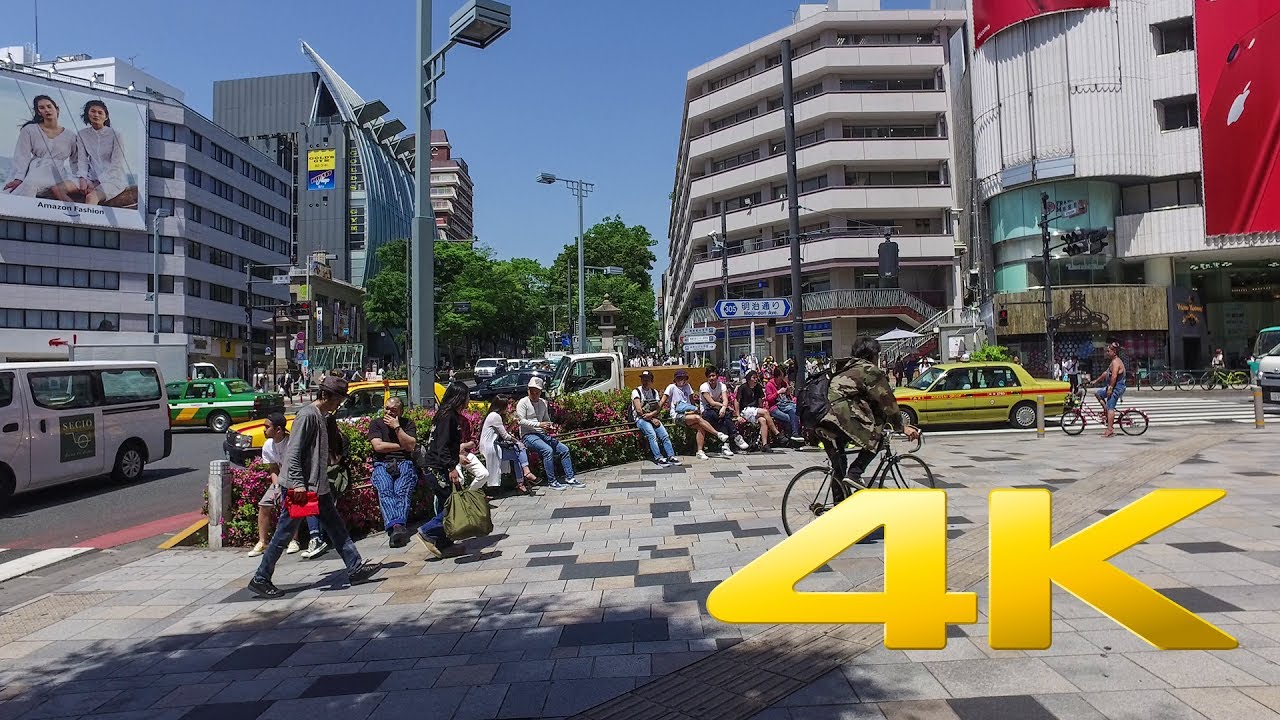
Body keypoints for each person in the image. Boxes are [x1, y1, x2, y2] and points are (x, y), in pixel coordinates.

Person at [248, 376, 377, 598]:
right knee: (283, 534)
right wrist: (298, 484)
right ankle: (261, 577)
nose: (340, 404)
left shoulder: (321, 415)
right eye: (339, 399)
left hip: (317, 486)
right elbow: (294, 452)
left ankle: (354, 567)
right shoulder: (307, 415)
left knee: (336, 528)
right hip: (302, 488)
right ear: (328, 396)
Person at [816, 339, 921, 500]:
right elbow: (887, 401)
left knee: (839, 467)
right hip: (838, 416)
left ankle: (839, 509)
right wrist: (902, 427)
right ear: (872, 355)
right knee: (877, 438)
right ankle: (855, 473)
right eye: (877, 355)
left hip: (821, 416)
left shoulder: (846, 366)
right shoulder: (868, 369)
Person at [411, 383, 475, 559]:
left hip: (438, 464)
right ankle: (427, 530)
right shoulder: (448, 417)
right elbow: (442, 446)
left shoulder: (445, 414)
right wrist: (451, 467)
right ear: (459, 397)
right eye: (467, 396)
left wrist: (457, 457)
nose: (469, 400)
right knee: (452, 505)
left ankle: (444, 543)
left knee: (444, 503)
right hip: (437, 467)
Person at [3, 95, 79, 201]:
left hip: (58, 173)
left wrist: (80, 180)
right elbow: (22, 155)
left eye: (49, 106)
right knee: (27, 185)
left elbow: (76, 161)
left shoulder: (71, 136)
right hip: (34, 170)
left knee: (33, 185)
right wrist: (19, 178)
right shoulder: (30, 130)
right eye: (42, 108)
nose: (46, 110)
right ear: (38, 112)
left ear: (56, 109)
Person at [367, 397, 419, 548]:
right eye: (387, 408)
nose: (388, 412)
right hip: (382, 463)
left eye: (393, 410)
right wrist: (402, 445)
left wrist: (397, 428)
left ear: (400, 412)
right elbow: (378, 446)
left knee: (402, 490)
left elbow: (411, 445)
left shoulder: (407, 424)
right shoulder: (376, 424)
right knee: (385, 488)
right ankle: (398, 526)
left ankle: (395, 526)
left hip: (404, 462)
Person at [516, 376, 580, 490]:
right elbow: (520, 421)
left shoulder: (543, 403)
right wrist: (539, 425)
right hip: (528, 435)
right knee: (547, 450)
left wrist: (549, 427)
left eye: (537, 392)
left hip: (542, 434)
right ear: (528, 390)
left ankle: (570, 478)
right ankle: (552, 481)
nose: (534, 394)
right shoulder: (523, 403)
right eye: (532, 391)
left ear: (541, 392)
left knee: (564, 449)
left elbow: (546, 419)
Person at [74, 100, 130, 206]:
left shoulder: (115, 135)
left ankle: (86, 222)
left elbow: (116, 164)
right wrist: (83, 179)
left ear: (106, 117)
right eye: (93, 111)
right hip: (91, 177)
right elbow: (82, 160)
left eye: (100, 112)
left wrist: (98, 182)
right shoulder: (82, 134)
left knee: (91, 197)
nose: (96, 115)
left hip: (113, 179)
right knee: (60, 188)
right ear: (87, 113)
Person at [664, 369, 727, 461]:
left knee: (700, 427)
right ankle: (718, 434)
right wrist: (657, 410)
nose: (682, 380)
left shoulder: (687, 386)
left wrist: (695, 409)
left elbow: (691, 401)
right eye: (679, 378)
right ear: (675, 379)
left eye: (684, 378)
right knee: (697, 418)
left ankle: (700, 451)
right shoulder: (671, 387)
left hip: (689, 414)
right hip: (677, 416)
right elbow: (663, 399)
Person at [480, 396, 537, 494]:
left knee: (518, 455)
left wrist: (514, 423)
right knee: (520, 450)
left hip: (492, 445)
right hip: (490, 448)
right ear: (502, 406)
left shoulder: (494, 415)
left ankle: (522, 482)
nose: (508, 408)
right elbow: (506, 436)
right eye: (507, 406)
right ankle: (525, 475)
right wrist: (518, 442)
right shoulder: (495, 416)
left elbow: (504, 433)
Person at [633, 370, 678, 466]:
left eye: (647, 380)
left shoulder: (654, 392)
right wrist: (652, 418)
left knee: (664, 435)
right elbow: (639, 410)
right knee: (652, 435)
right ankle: (658, 457)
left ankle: (671, 456)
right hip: (641, 419)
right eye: (643, 379)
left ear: (651, 381)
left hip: (652, 418)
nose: (645, 381)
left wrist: (652, 416)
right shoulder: (636, 392)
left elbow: (658, 409)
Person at [700, 366, 747, 457]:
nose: (711, 378)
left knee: (724, 417)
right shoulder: (704, 387)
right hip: (706, 411)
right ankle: (734, 437)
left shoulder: (722, 386)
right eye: (709, 376)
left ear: (717, 376)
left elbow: (725, 399)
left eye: (713, 376)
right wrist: (724, 407)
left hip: (717, 409)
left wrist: (723, 408)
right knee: (723, 416)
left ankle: (728, 444)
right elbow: (711, 402)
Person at [736, 370, 780, 452]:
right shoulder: (743, 387)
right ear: (749, 379)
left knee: (763, 420)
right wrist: (738, 415)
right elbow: (737, 401)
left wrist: (761, 405)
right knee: (766, 412)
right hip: (745, 410)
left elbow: (760, 401)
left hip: (754, 410)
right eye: (754, 378)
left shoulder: (758, 387)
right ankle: (777, 433)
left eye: (756, 378)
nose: (756, 380)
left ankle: (764, 444)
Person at [1093, 342, 1127, 438]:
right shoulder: (1113, 361)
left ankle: (1110, 429)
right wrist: (1096, 381)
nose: (1107, 353)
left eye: (1108, 351)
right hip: (1112, 386)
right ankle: (1105, 409)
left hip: (1117, 387)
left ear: (1114, 351)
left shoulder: (1116, 362)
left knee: (1110, 407)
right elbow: (1106, 373)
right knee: (1098, 393)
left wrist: (1110, 388)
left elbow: (1114, 376)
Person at [764, 365, 805, 443]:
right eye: (781, 377)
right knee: (790, 418)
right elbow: (769, 399)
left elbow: (788, 397)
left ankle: (794, 435)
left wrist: (788, 393)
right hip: (774, 407)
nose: (782, 379)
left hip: (785, 404)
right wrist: (778, 392)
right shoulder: (769, 385)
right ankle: (791, 436)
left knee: (794, 411)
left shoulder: (783, 383)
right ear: (776, 376)